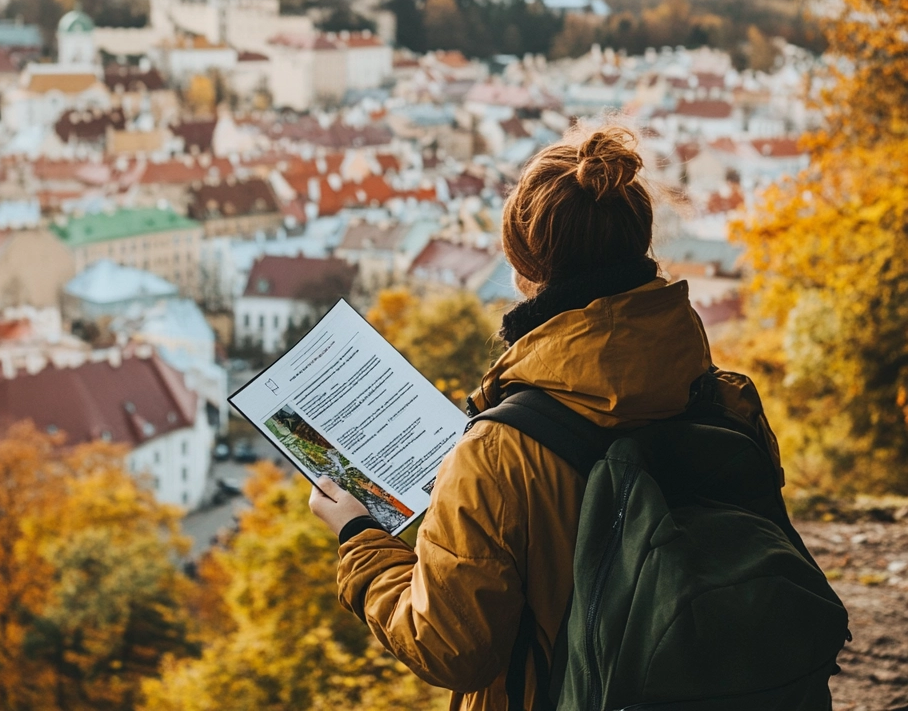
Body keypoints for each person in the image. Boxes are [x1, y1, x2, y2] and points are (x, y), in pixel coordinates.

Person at [309, 126, 785, 711]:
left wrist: (359, 542)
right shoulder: (726, 399)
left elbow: (453, 647)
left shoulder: (498, 451)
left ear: (521, 268)